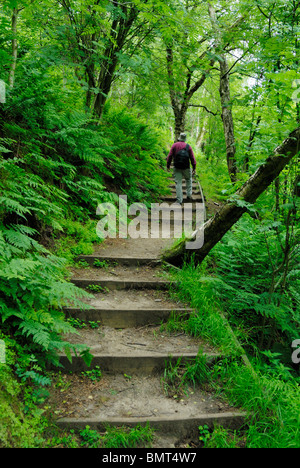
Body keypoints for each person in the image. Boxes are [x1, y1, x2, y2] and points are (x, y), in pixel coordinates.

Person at [166, 133, 197, 205]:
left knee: (178, 183)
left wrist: (168, 165)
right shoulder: (188, 147)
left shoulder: (174, 145)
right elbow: (192, 158)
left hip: (177, 167)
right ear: (185, 139)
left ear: (179, 138)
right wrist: (194, 168)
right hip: (186, 167)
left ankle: (179, 200)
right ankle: (189, 195)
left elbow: (169, 156)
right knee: (188, 180)